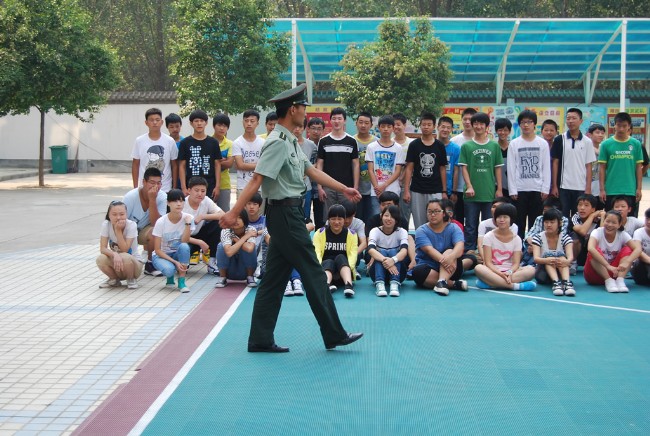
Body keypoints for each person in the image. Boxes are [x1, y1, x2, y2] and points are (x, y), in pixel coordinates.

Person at [219, 84, 363, 352]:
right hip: (285, 215)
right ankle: (334, 334)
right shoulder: (276, 142)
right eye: (303, 108)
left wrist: (343, 188)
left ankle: (260, 339)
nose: (305, 112)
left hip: (289, 213)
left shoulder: (290, 141)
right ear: (293, 109)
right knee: (314, 273)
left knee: (273, 280)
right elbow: (258, 180)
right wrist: (233, 212)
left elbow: (310, 170)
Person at [458, 112, 504, 253]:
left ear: (486, 126)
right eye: (475, 123)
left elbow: (497, 169)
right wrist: (469, 186)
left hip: (489, 192)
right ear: (472, 126)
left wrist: (499, 189)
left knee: (489, 225)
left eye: (481, 124)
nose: (478, 126)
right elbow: (463, 168)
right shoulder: (467, 146)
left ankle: (489, 252)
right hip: (471, 193)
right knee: (471, 225)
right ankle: (470, 253)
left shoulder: (494, 146)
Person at [507, 110, 551, 239]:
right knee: (518, 222)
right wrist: (513, 189)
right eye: (523, 122)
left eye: (529, 122)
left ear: (534, 124)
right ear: (519, 125)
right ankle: (519, 249)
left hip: (537, 188)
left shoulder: (542, 143)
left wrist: (545, 188)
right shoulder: (514, 143)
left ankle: (533, 249)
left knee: (535, 222)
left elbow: (545, 167)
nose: (526, 125)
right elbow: (511, 167)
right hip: (520, 189)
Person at [474, 203, 536, 291]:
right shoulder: (488, 236)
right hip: (493, 270)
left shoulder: (517, 239)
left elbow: (516, 263)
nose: (501, 220)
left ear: (511, 219)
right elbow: (488, 263)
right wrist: (500, 274)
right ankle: (515, 286)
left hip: (511, 271)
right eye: (499, 217)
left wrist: (509, 272)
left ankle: (492, 284)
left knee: (531, 270)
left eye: (505, 217)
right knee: (478, 268)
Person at [403, 111, 448, 229]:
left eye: (429, 124)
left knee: (436, 221)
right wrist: (406, 190)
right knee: (419, 223)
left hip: (436, 189)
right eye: (424, 124)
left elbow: (442, 169)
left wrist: (444, 191)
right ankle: (420, 246)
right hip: (417, 189)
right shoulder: (414, 145)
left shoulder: (439, 146)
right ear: (420, 126)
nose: (426, 127)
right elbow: (409, 168)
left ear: (434, 126)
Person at [413, 199, 467, 296]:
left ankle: (442, 281)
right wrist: (446, 261)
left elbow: (460, 247)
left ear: (443, 213)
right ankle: (453, 284)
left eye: (437, 211)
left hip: (452, 267)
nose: (433, 214)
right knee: (417, 273)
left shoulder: (454, 228)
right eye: (430, 212)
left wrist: (451, 258)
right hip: (430, 267)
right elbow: (429, 250)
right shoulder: (421, 230)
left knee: (450, 251)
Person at [551, 108, 596, 219]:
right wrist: (555, 186)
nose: (571, 121)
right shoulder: (559, 139)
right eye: (568, 118)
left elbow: (589, 165)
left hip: (580, 187)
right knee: (563, 217)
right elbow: (555, 163)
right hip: (563, 187)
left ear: (581, 121)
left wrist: (588, 188)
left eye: (574, 118)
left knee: (579, 217)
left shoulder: (587, 141)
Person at [316, 107, 360, 222]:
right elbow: (319, 164)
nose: (336, 121)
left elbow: (355, 165)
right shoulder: (324, 141)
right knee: (328, 217)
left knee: (346, 218)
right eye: (334, 118)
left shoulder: (351, 141)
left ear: (344, 121)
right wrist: (320, 187)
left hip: (347, 187)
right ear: (330, 120)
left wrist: (355, 187)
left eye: (339, 118)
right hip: (328, 188)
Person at [123, 167, 168, 276]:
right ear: (143, 182)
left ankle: (150, 263)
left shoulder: (162, 197)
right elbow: (121, 222)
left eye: (158, 183)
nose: (155, 186)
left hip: (144, 231)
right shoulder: (130, 197)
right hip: (128, 232)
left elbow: (156, 224)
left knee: (155, 231)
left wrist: (152, 200)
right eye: (152, 183)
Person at [584, 210, 641, 293]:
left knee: (628, 249)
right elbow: (590, 248)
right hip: (594, 274)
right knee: (593, 251)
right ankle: (608, 280)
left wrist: (627, 262)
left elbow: (638, 249)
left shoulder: (622, 234)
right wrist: (607, 266)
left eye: (614, 222)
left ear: (619, 225)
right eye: (607, 221)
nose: (610, 225)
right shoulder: (597, 232)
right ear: (603, 221)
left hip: (614, 273)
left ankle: (620, 280)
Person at [598, 112, 643, 211]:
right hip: (611, 190)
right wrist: (602, 189)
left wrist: (639, 188)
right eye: (619, 125)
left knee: (628, 221)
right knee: (611, 221)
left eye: (624, 126)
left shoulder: (636, 144)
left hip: (630, 190)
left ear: (629, 126)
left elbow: (638, 167)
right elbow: (602, 168)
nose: (621, 129)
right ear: (614, 125)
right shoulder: (606, 144)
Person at [151, 189, 194, 293]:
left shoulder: (188, 218)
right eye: (175, 201)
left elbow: (185, 240)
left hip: (177, 253)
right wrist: (175, 262)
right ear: (168, 203)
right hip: (161, 255)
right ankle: (170, 277)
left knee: (184, 246)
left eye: (181, 201)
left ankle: (181, 282)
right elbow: (157, 250)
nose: (178, 204)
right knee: (169, 270)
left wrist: (187, 224)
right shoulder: (161, 222)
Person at [96, 201, 143, 289]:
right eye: (114, 214)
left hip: (133, 265)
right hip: (117, 263)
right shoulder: (106, 225)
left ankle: (131, 278)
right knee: (101, 258)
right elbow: (103, 248)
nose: (118, 217)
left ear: (126, 214)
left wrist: (118, 230)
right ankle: (114, 279)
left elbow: (125, 249)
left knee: (125, 256)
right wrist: (114, 254)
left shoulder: (131, 225)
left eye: (122, 214)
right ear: (109, 215)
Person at [313, 204, 357, 297]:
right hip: (325, 271)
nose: (336, 222)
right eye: (333, 219)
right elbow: (316, 253)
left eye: (339, 219)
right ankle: (326, 285)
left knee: (341, 257)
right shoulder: (319, 233)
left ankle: (349, 285)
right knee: (329, 261)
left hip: (343, 273)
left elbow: (353, 255)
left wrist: (350, 267)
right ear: (328, 219)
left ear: (344, 220)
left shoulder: (351, 234)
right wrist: (319, 270)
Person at [178, 110, 222, 201]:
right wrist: (183, 188)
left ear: (206, 123)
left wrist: (217, 186)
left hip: (210, 186)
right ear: (191, 123)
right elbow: (182, 166)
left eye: (202, 121)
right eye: (196, 121)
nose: (199, 123)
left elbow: (217, 164)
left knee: (209, 212)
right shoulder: (185, 143)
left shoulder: (213, 142)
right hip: (191, 185)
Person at [132, 108, 178, 193]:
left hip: (165, 188)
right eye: (151, 120)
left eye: (157, 120)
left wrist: (174, 187)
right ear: (146, 123)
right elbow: (135, 164)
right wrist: (135, 188)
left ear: (162, 122)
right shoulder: (139, 141)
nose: (155, 122)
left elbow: (174, 165)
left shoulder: (170, 141)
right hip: (145, 188)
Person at [531, 208, 575, 296]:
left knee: (562, 257)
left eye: (552, 222)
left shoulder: (565, 238)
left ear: (560, 223)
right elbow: (536, 259)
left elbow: (570, 257)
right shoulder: (537, 238)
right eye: (546, 222)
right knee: (549, 256)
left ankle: (566, 283)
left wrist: (566, 261)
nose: (549, 225)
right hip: (543, 273)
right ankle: (556, 283)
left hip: (561, 269)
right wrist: (548, 260)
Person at [367, 205, 409, 297]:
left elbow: (404, 251)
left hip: (398, 273)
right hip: (376, 273)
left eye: (392, 216)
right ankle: (379, 284)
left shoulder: (402, 232)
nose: (389, 219)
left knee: (394, 251)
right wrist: (387, 261)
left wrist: (392, 260)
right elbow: (370, 250)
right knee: (381, 251)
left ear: (397, 220)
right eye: (386, 215)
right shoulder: (375, 231)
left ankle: (395, 284)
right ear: (381, 216)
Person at [367, 115, 405, 215]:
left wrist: (384, 185)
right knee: (377, 217)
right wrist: (377, 187)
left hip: (393, 191)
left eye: (389, 126)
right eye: (383, 126)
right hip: (376, 191)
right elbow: (370, 170)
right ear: (379, 127)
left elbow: (398, 171)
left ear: (393, 128)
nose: (386, 129)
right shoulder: (371, 147)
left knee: (392, 218)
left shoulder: (398, 148)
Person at [183, 177, 223, 274]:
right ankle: (184, 260)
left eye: (203, 191)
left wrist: (203, 216)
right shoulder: (182, 204)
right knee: (184, 252)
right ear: (189, 190)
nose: (200, 194)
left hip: (200, 233)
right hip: (185, 239)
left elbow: (223, 215)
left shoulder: (206, 200)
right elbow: (179, 235)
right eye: (196, 190)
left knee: (218, 223)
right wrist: (199, 242)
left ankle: (212, 262)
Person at [215, 210, 259, 288]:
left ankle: (250, 277)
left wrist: (235, 238)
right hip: (229, 270)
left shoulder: (250, 229)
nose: (236, 221)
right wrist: (245, 237)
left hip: (245, 271)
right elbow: (229, 252)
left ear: (244, 219)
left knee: (249, 246)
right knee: (221, 246)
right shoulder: (226, 230)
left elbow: (249, 249)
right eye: (233, 218)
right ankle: (222, 277)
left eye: (239, 218)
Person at [451, 107, 477, 224]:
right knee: (458, 219)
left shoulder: (482, 140)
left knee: (474, 219)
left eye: (470, 119)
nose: (467, 122)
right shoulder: (454, 141)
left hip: (477, 187)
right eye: (465, 119)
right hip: (459, 187)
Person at [569, 194, 605, 274]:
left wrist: (603, 217)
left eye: (586, 205)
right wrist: (591, 216)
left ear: (593, 209)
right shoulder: (575, 217)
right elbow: (582, 232)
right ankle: (572, 263)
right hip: (578, 252)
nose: (582, 208)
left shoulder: (598, 220)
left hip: (591, 252)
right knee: (574, 239)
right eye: (580, 205)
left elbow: (602, 235)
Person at [232, 109, 265, 198]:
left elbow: (265, 165)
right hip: (242, 186)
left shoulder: (263, 143)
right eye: (246, 121)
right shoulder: (237, 142)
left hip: (259, 186)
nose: (249, 123)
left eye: (252, 121)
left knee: (259, 212)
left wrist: (243, 165)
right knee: (242, 212)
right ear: (242, 122)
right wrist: (260, 165)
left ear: (257, 123)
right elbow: (240, 165)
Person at [477, 197, 518, 264]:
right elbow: (480, 244)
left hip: (506, 255)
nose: (495, 209)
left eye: (499, 207)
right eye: (493, 207)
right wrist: (486, 261)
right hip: (486, 254)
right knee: (472, 258)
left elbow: (511, 247)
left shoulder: (513, 226)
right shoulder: (484, 224)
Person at [353, 111, 378, 222]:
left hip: (373, 189)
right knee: (357, 219)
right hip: (356, 188)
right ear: (356, 123)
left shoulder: (377, 142)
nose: (363, 125)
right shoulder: (351, 141)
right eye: (361, 122)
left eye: (366, 123)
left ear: (371, 125)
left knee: (371, 219)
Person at [296, 118, 318, 220]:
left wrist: (307, 170)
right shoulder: (284, 144)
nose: (297, 129)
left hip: (306, 186)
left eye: (300, 126)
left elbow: (317, 162)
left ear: (304, 128)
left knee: (306, 216)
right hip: (291, 188)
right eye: (295, 126)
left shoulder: (311, 145)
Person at [393, 112, 413, 225]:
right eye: (394, 124)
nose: (396, 127)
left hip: (407, 185)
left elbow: (411, 165)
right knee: (392, 213)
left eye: (398, 124)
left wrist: (402, 177)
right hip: (392, 183)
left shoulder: (411, 143)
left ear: (404, 125)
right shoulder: (389, 143)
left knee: (405, 214)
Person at [213, 113, 234, 212]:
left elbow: (230, 163)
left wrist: (215, 161)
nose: (222, 128)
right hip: (209, 184)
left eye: (225, 126)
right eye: (219, 125)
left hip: (224, 184)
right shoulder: (208, 141)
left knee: (224, 213)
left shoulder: (230, 143)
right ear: (214, 126)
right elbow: (207, 163)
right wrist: (222, 160)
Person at [307, 117, 326, 228]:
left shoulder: (325, 144)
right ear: (308, 129)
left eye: (319, 129)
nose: (316, 131)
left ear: (323, 130)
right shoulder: (303, 144)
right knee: (305, 217)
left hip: (320, 186)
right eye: (313, 128)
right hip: (307, 185)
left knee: (320, 218)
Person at [438, 116, 459, 200]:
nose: (445, 130)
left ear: (451, 129)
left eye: (448, 128)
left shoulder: (456, 148)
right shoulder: (432, 145)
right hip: (432, 189)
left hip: (449, 191)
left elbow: (456, 170)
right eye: (443, 127)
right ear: (438, 127)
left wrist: (454, 191)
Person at [586, 123, 606, 201]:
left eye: (602, 133)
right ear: (589, 135)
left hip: (601, 187)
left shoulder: (604, 148)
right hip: (588, 186)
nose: (600, 135)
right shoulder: (586, 148)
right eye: (597, 133)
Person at [631, 208, 650, 285]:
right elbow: (638, 251)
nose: (649, 222)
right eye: (647, 218)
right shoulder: (638, 232)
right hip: (640, 267)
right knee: (640, 261)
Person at [494, 118, 512, 198]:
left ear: (509, 131)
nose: (503, 133)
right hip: (496, 186)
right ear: (496, 131)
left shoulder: (513, 147)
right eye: (500, 130)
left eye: (505, 130)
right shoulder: (493, 148)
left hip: (511, 187)